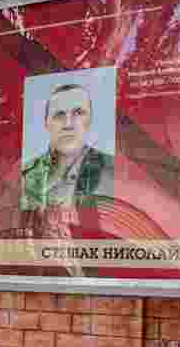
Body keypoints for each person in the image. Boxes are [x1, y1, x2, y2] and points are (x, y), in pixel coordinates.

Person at [19, 83, 114, 238]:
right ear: (46, 123)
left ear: (89, 119)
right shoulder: (24, 174)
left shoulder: (114, 170)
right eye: (59, 115)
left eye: (78, 112)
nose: (68, 124)